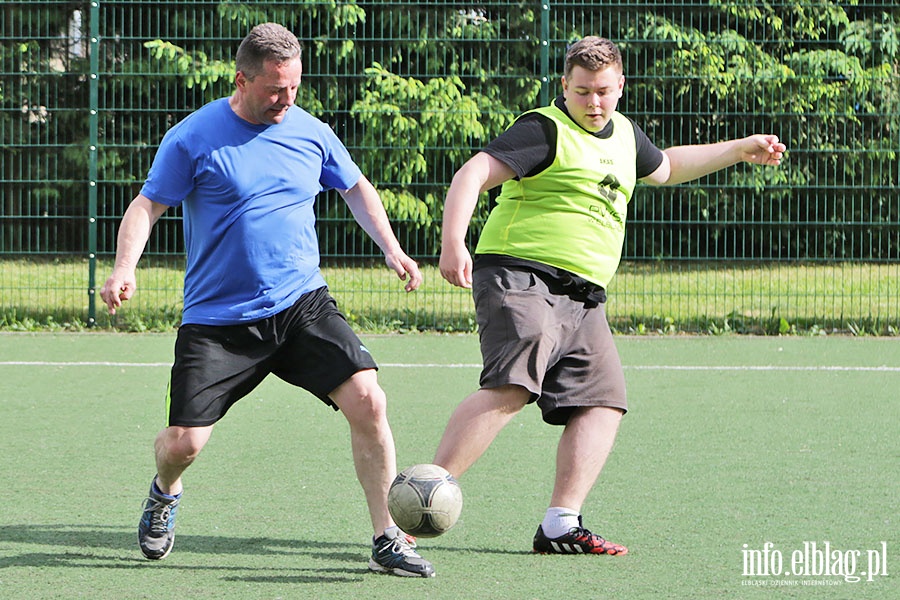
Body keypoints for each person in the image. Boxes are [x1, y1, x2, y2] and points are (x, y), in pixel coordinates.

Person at [99, 22, 435, 578]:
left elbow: (355, 187)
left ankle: (387, 537)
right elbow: (147, 205)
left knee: (369, 401)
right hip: (219, 321)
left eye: (294, 88)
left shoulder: (311, 131)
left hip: (302, 303)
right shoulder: (193, 136)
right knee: (182, 444)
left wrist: (392, 249)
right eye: (275, 89)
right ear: (242, 79)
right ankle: (164, 492)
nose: (286, 99)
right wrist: (123, 269)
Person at [434, 36, 786, 555]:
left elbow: (666, 167)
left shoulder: (623, 134)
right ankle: (422, 495)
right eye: (582, 93)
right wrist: (452, 242)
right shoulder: (542, 129)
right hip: (521, 275)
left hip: (585, 296)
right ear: (564, 87)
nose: (593, 103)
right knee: (513, 386)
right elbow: (474, 174)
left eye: (602, 91)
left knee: (602, 402)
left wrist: (738, 149)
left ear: (620, 85)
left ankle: (560, 524)